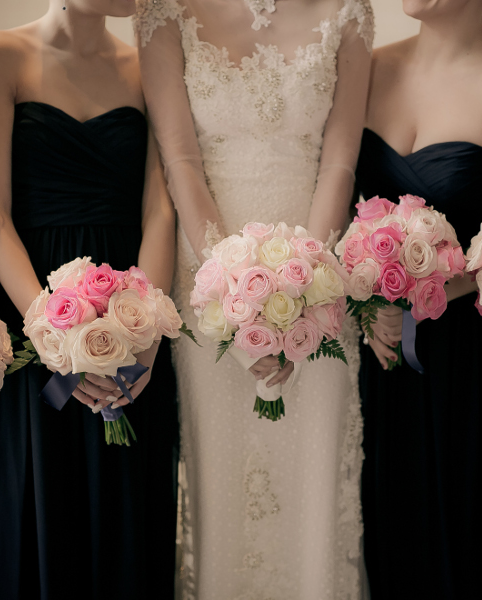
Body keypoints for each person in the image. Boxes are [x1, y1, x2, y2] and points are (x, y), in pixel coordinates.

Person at [136, 0, 373, 597]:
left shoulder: (349, 11)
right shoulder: (162, 9)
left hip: (318, 273)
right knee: (224, 479)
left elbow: (340, 164)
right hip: (208, 279)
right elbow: (180, 159)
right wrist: (227, 289)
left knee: (310, 482)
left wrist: (307, 292)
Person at [355, 0, 482, 597]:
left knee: (473, 539)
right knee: (391, 530)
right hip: (386, 350)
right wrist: (371, 303)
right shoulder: (367, 69)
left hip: (477, 360)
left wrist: (434, 287)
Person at [0, 0, 178, 597]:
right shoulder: (1, 55)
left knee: (125, 514)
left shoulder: (151, 65)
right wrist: (52, 332)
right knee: (37, 511)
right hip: (30, 312)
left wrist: (144, 337)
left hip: (130, 310)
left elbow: (161, 210)